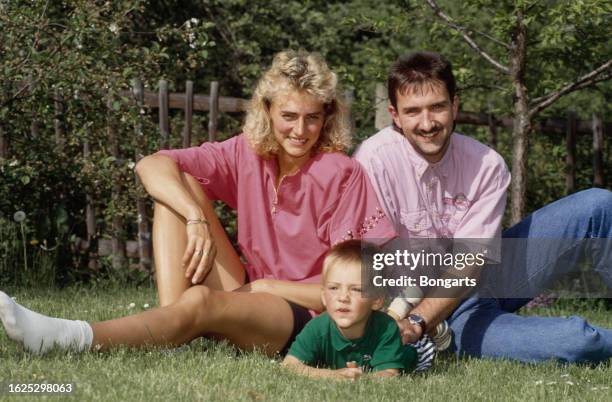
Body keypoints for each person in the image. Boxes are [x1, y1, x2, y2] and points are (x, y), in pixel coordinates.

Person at [0, 50, 396, 356]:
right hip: (247, 292)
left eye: (312, 117)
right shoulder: (247, 152)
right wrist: (195, 217)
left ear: (326, 117)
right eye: (289, 115)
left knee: (205, 300)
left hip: (306, 314)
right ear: (268, 111)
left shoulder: (342, 172)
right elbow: (152, 165)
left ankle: (70, 338)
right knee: (180, 183)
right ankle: (175, 325)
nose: (300, 130)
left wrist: (266, 286)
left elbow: (362, 282)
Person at [354, 51, 612, 364]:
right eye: (413, 111)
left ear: (455, 105)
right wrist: (410, 322)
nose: (427, 123)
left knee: (599, 204)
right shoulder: (374, 160)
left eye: (437, 107)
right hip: (440, 311)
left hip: (482, 275)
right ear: (395, 115)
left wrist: (416, 323)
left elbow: (469, 262)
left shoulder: (487, 165)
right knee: (577, 342)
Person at [282, 240, 435, 379]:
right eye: (334, 288)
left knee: (414, 352)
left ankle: (437, 333)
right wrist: (331, 375)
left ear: (376, 300)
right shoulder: (318, 328)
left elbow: (389, 374)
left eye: (356, 290)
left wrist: (359, 379)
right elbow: (289, 365)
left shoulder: (386, 329)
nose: (343, 297)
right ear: (323, 296)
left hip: (407, 349)